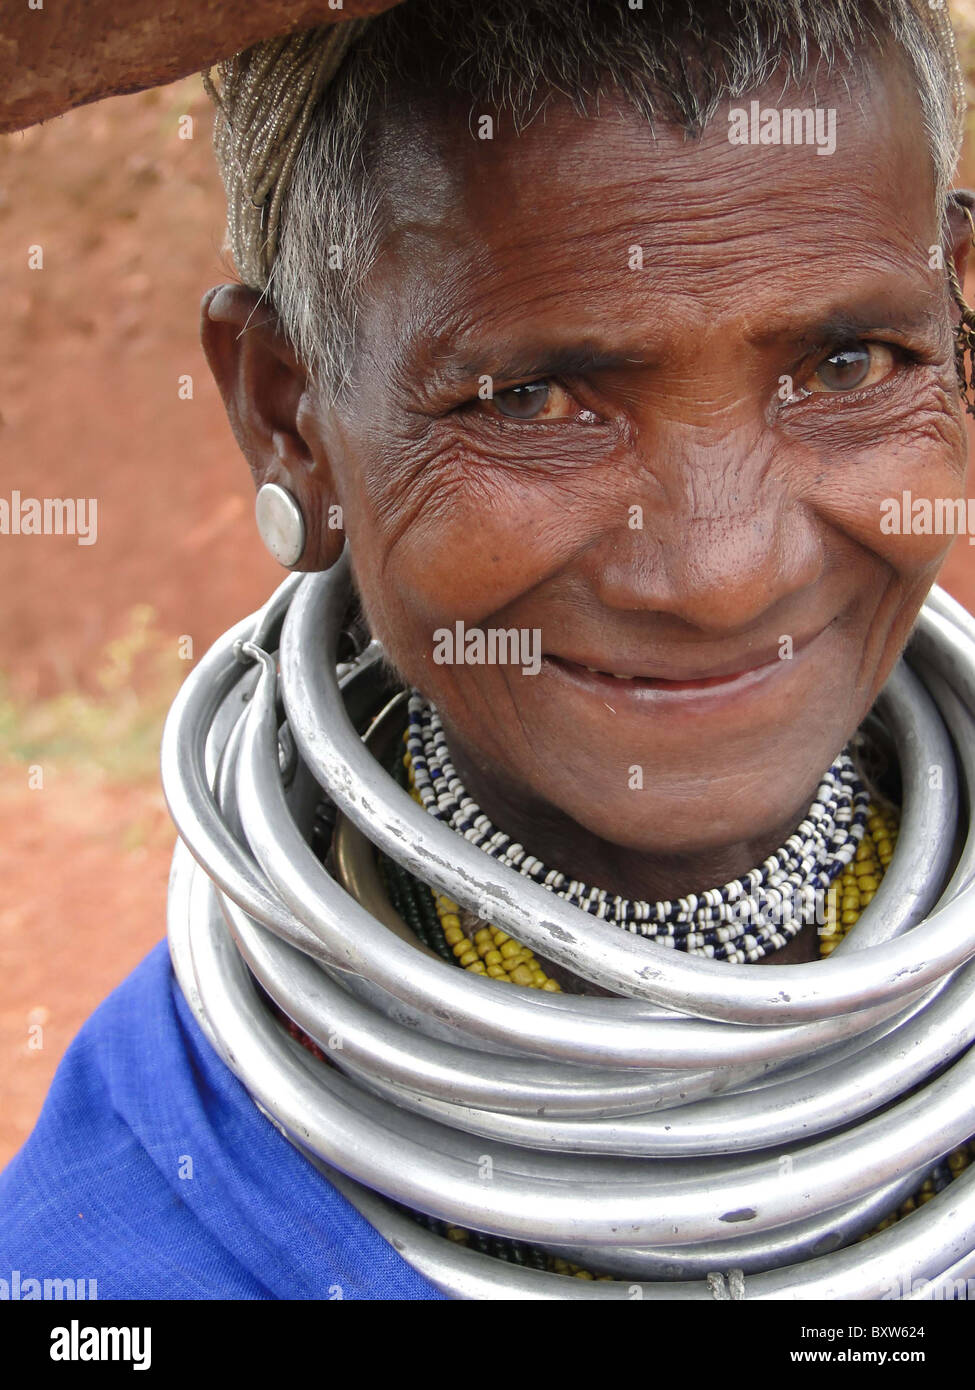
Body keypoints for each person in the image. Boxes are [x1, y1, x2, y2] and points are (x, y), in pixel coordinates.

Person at [2, 0, 975, 1300]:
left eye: (848, 362)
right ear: (286, 415)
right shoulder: (122, 1255)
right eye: (530, 399)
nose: (724, 570)